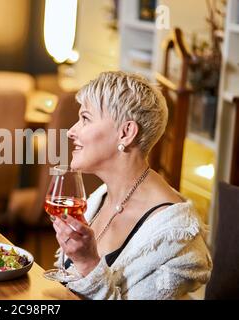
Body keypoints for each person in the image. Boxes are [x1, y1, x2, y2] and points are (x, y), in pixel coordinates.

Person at [52, 71, 212, 299]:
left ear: (126, 133)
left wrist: (88, 264)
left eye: (85, 119)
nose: (71, 131)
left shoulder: (174, 237)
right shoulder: (99, 198)